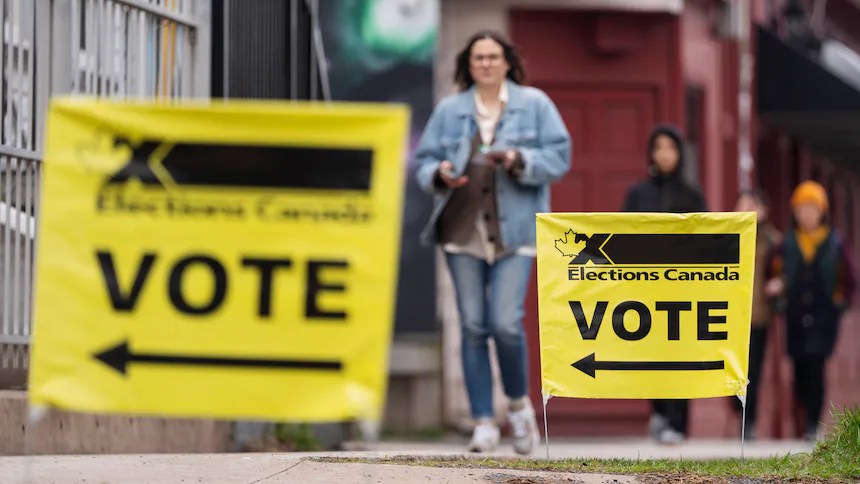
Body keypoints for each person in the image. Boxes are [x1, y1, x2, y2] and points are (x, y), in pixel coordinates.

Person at [414, 30, 571, 454]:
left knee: (504, 322)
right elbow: (423, 161)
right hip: (462, 232)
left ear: (506, 62)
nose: (485, 63)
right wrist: (439, 173)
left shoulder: (534, 104)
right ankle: (483, 420)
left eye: (492, 56)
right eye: (478, 57)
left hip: (516, 231)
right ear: (468, 64)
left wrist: (520, 159)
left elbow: (560, 156)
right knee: (472, 326)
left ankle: (518, 408)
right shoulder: (450, 110)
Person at [621, 124, 707, 445]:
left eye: (670, 148)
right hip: (646, 288)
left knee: (681, 355)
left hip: (683, 291)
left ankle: (678, 422)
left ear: (680, 153)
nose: (664, 155)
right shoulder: (638, 194)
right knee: (651, 352)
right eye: (658, 148)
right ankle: (658, 411)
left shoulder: (692, 195)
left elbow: (706, 242)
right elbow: (622, 235)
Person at [766, 180, 855, 441]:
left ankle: (813, 424)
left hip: (824, 315)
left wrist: (841, 303)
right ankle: (804, 420)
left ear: (822, 211)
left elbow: (849, 278)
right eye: (801, 209)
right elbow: (772, 272)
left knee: (816, 366)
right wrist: (778, 295)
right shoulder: (787, 243)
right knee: (799, 367)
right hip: (795, 314)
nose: (806, 214)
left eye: (811, 208)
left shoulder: (834, 243)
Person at [731, 189, 781, 440]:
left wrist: (779, 284)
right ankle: (736, 409)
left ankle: (749, 423)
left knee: (753, 373)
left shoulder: (772, 240)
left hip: (758, 316)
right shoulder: (728, 237)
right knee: (730, 370)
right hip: (729, 317)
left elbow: (784, 269)